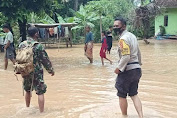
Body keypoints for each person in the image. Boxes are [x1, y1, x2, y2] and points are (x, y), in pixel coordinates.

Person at [19, 27, 55, 113]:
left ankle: (27, 108)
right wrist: (51, 70)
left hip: (26, 70)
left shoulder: (22, 44)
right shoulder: (38, 46)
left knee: (27, 90)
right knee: (40, 91)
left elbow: (19, 58)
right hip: (36, 71)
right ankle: (41, 113)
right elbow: (45, 60)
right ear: (35, 34)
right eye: (37, 33)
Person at [113, 17, 143, 118]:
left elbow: (126, 56)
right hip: (137, 69)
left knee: (121, 94)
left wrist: (119, 68)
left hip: (127, 70)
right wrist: (139, 64)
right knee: (134, 94)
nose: (115, 28)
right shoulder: (132, 36)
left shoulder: (123, 39)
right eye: (114, 26)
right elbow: (138, 52)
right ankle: (141, 116)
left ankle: (124, 116)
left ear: (124, 26)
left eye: (117, 26)